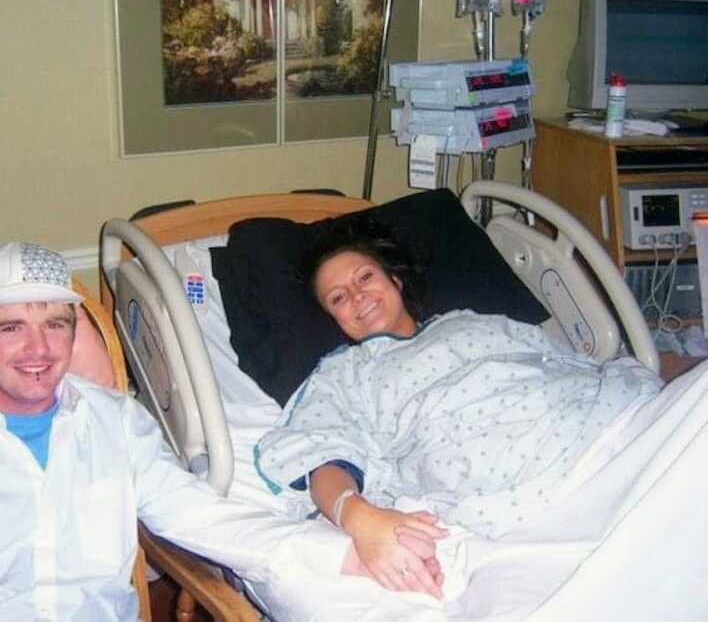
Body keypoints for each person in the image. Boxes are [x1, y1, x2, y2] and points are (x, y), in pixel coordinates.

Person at [0, 241, 426, 621]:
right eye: (10, 328)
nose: (38, 349)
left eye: (56, 325)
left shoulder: (114, 422)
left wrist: (349, 545)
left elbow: (197, 515)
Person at [255, 219, 662, 595]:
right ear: (334, 319)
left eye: (365, 277)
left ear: (395, 280)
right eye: (339, 297)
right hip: (516, 479)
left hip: (607, 424)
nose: (358, 295)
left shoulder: (471, 321)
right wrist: (360, 517)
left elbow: (557, 363)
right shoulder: (344, 374)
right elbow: (322, 456)